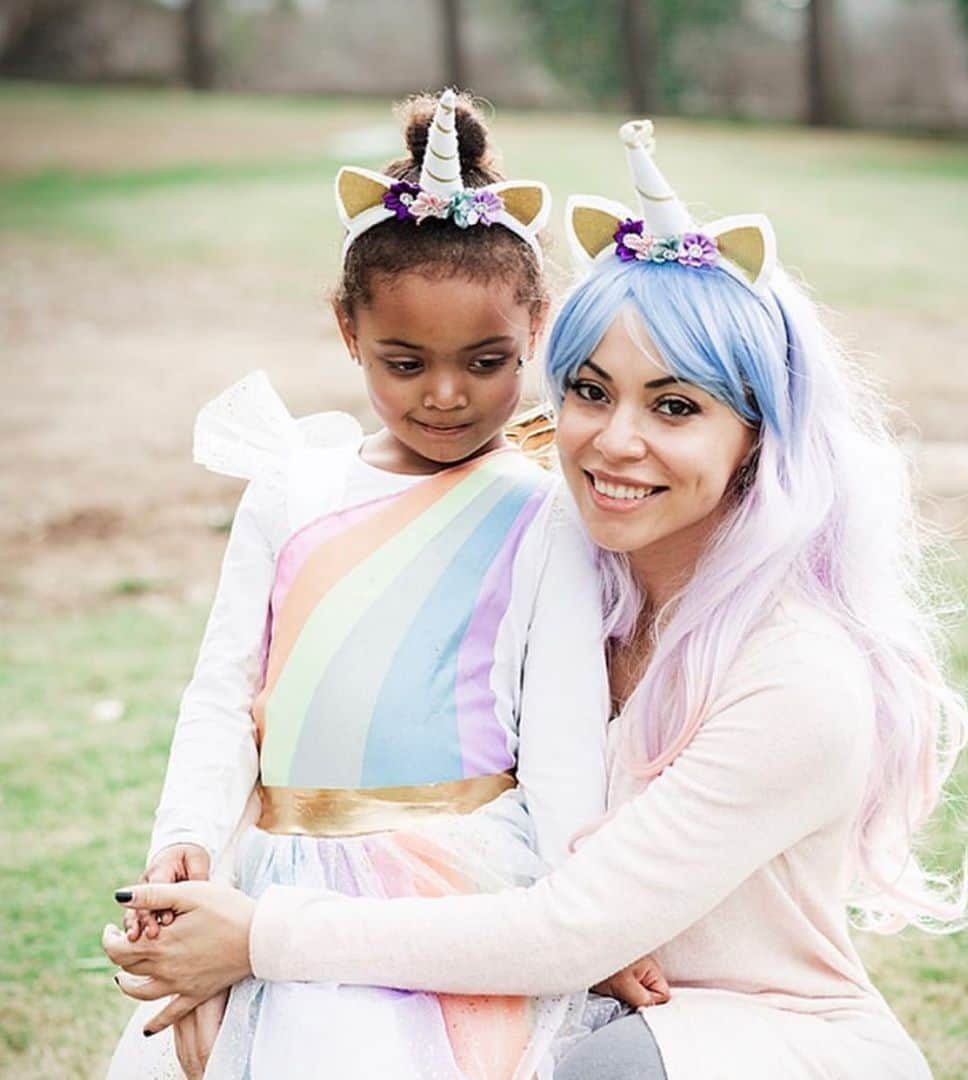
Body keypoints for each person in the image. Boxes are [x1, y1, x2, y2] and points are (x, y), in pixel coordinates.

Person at [106, 120, 968, 1080]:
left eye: (677, 406)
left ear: (759, 434)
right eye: (593, 392)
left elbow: (564, 926)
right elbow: (245, 693)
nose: (613, 442)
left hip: (739, 1027)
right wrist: (197, 866)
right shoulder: (587, 561)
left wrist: (256, 938)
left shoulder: (797, 673)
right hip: (555, 972)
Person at [104, 89, 624, 1080]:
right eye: (404, 361)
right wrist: (187, 838)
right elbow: (223, 694)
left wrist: (588, 918)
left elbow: (562, 737)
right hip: (279, 866)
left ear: (538, 328)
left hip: (454, 881)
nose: (444, 393)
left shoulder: (545, 511)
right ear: (348, 329)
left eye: (485, 362)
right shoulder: (290, 486)